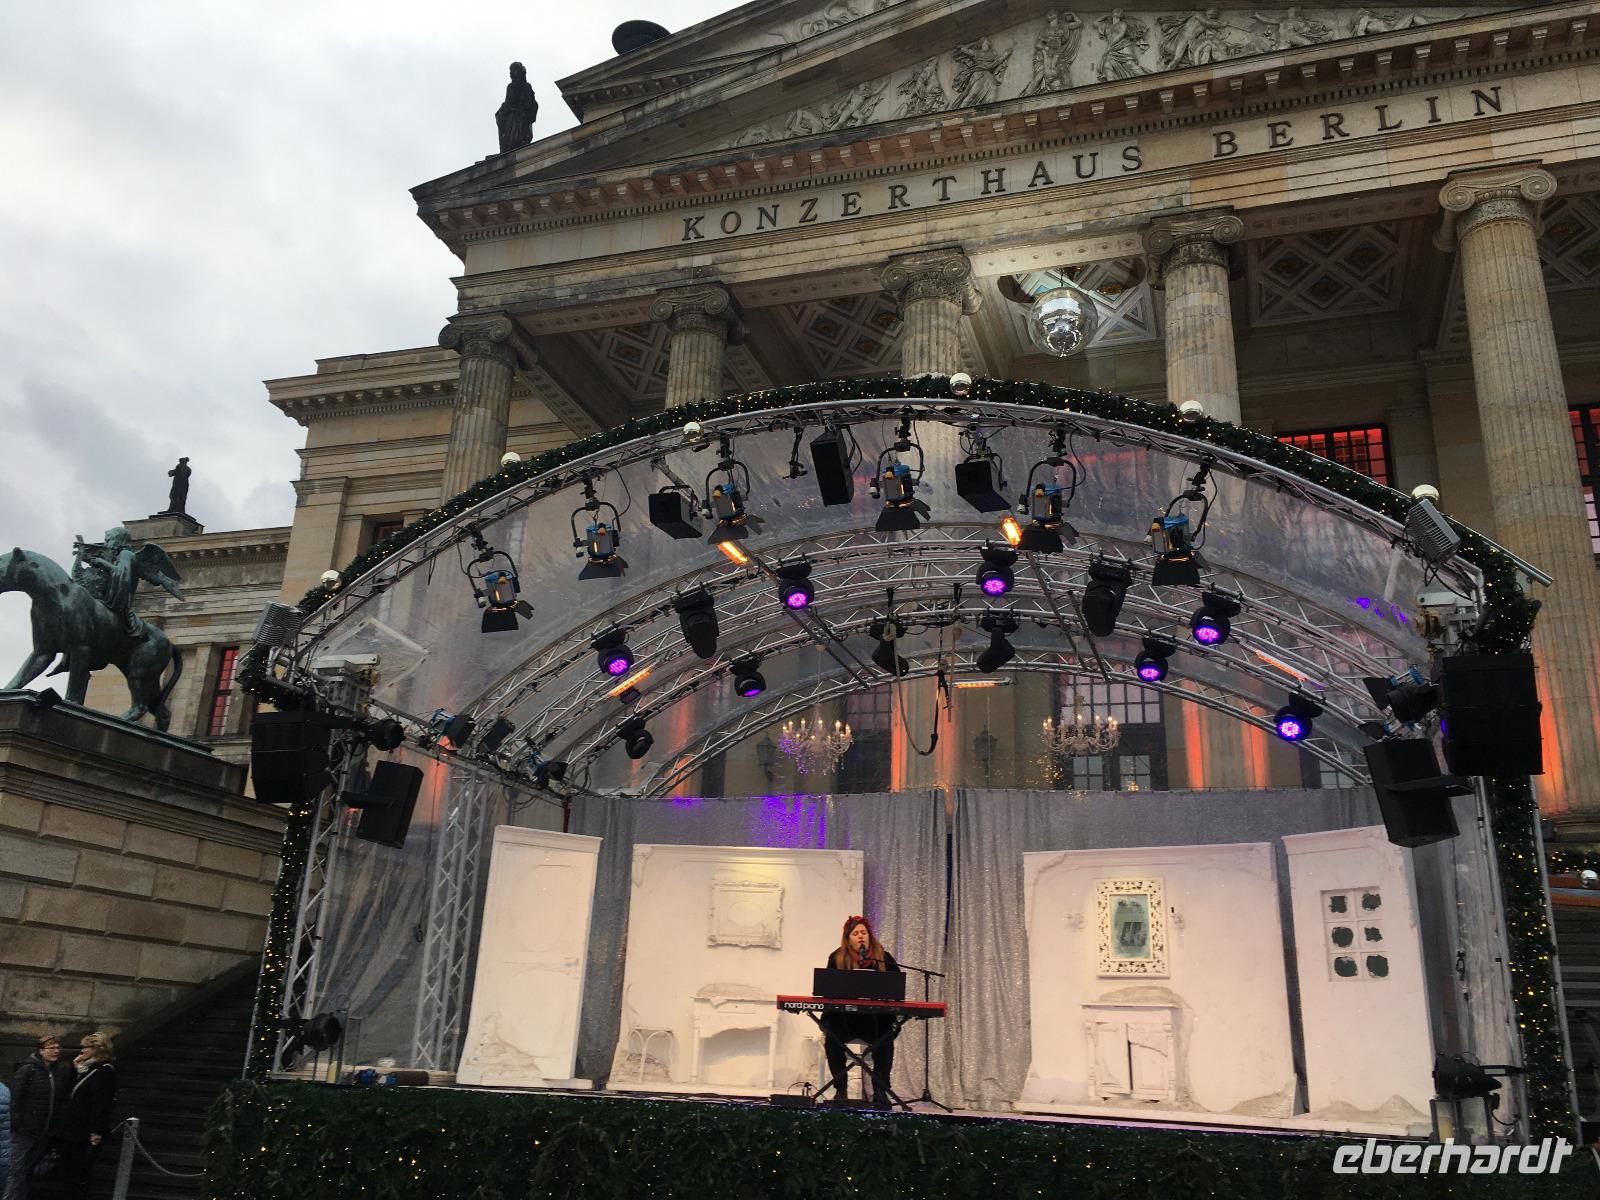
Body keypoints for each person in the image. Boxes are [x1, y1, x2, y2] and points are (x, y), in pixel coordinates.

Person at [820, 915, 901, 1108]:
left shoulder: (884, 957)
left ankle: (880, 1091)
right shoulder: (836, 957)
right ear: (848, 939)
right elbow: (827, 990)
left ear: (869, 935)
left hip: (875, 1021)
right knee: (832, 1038)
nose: (860, 936)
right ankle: (841, 1090)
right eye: (855, 933)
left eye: (863, 932)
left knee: (885, 1037)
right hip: (845, 1020)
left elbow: (897, 988)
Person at [54, 1033, 117, 1197]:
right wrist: (75, 1070)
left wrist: (96, 1130)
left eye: (86, 1047)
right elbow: (68, 1092)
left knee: (77, 1172)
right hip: (72, 1129)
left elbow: (101, 1103)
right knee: (67, 1169)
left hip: (83, 1131)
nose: (82, 1051)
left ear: (96, 1049)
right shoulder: (87, 1069)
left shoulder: (104, 1071)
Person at [7, 1035, 63, 1200]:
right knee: (15, 1169)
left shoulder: (57, 1072)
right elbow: (15, 1098)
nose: (56, 1051)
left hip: (44, 1131)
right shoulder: (28, 1069)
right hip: (26, 1130)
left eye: (57, 1048)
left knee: (28, 1169)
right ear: (41, 1051)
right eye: (51, 1048)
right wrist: (18, 1124)